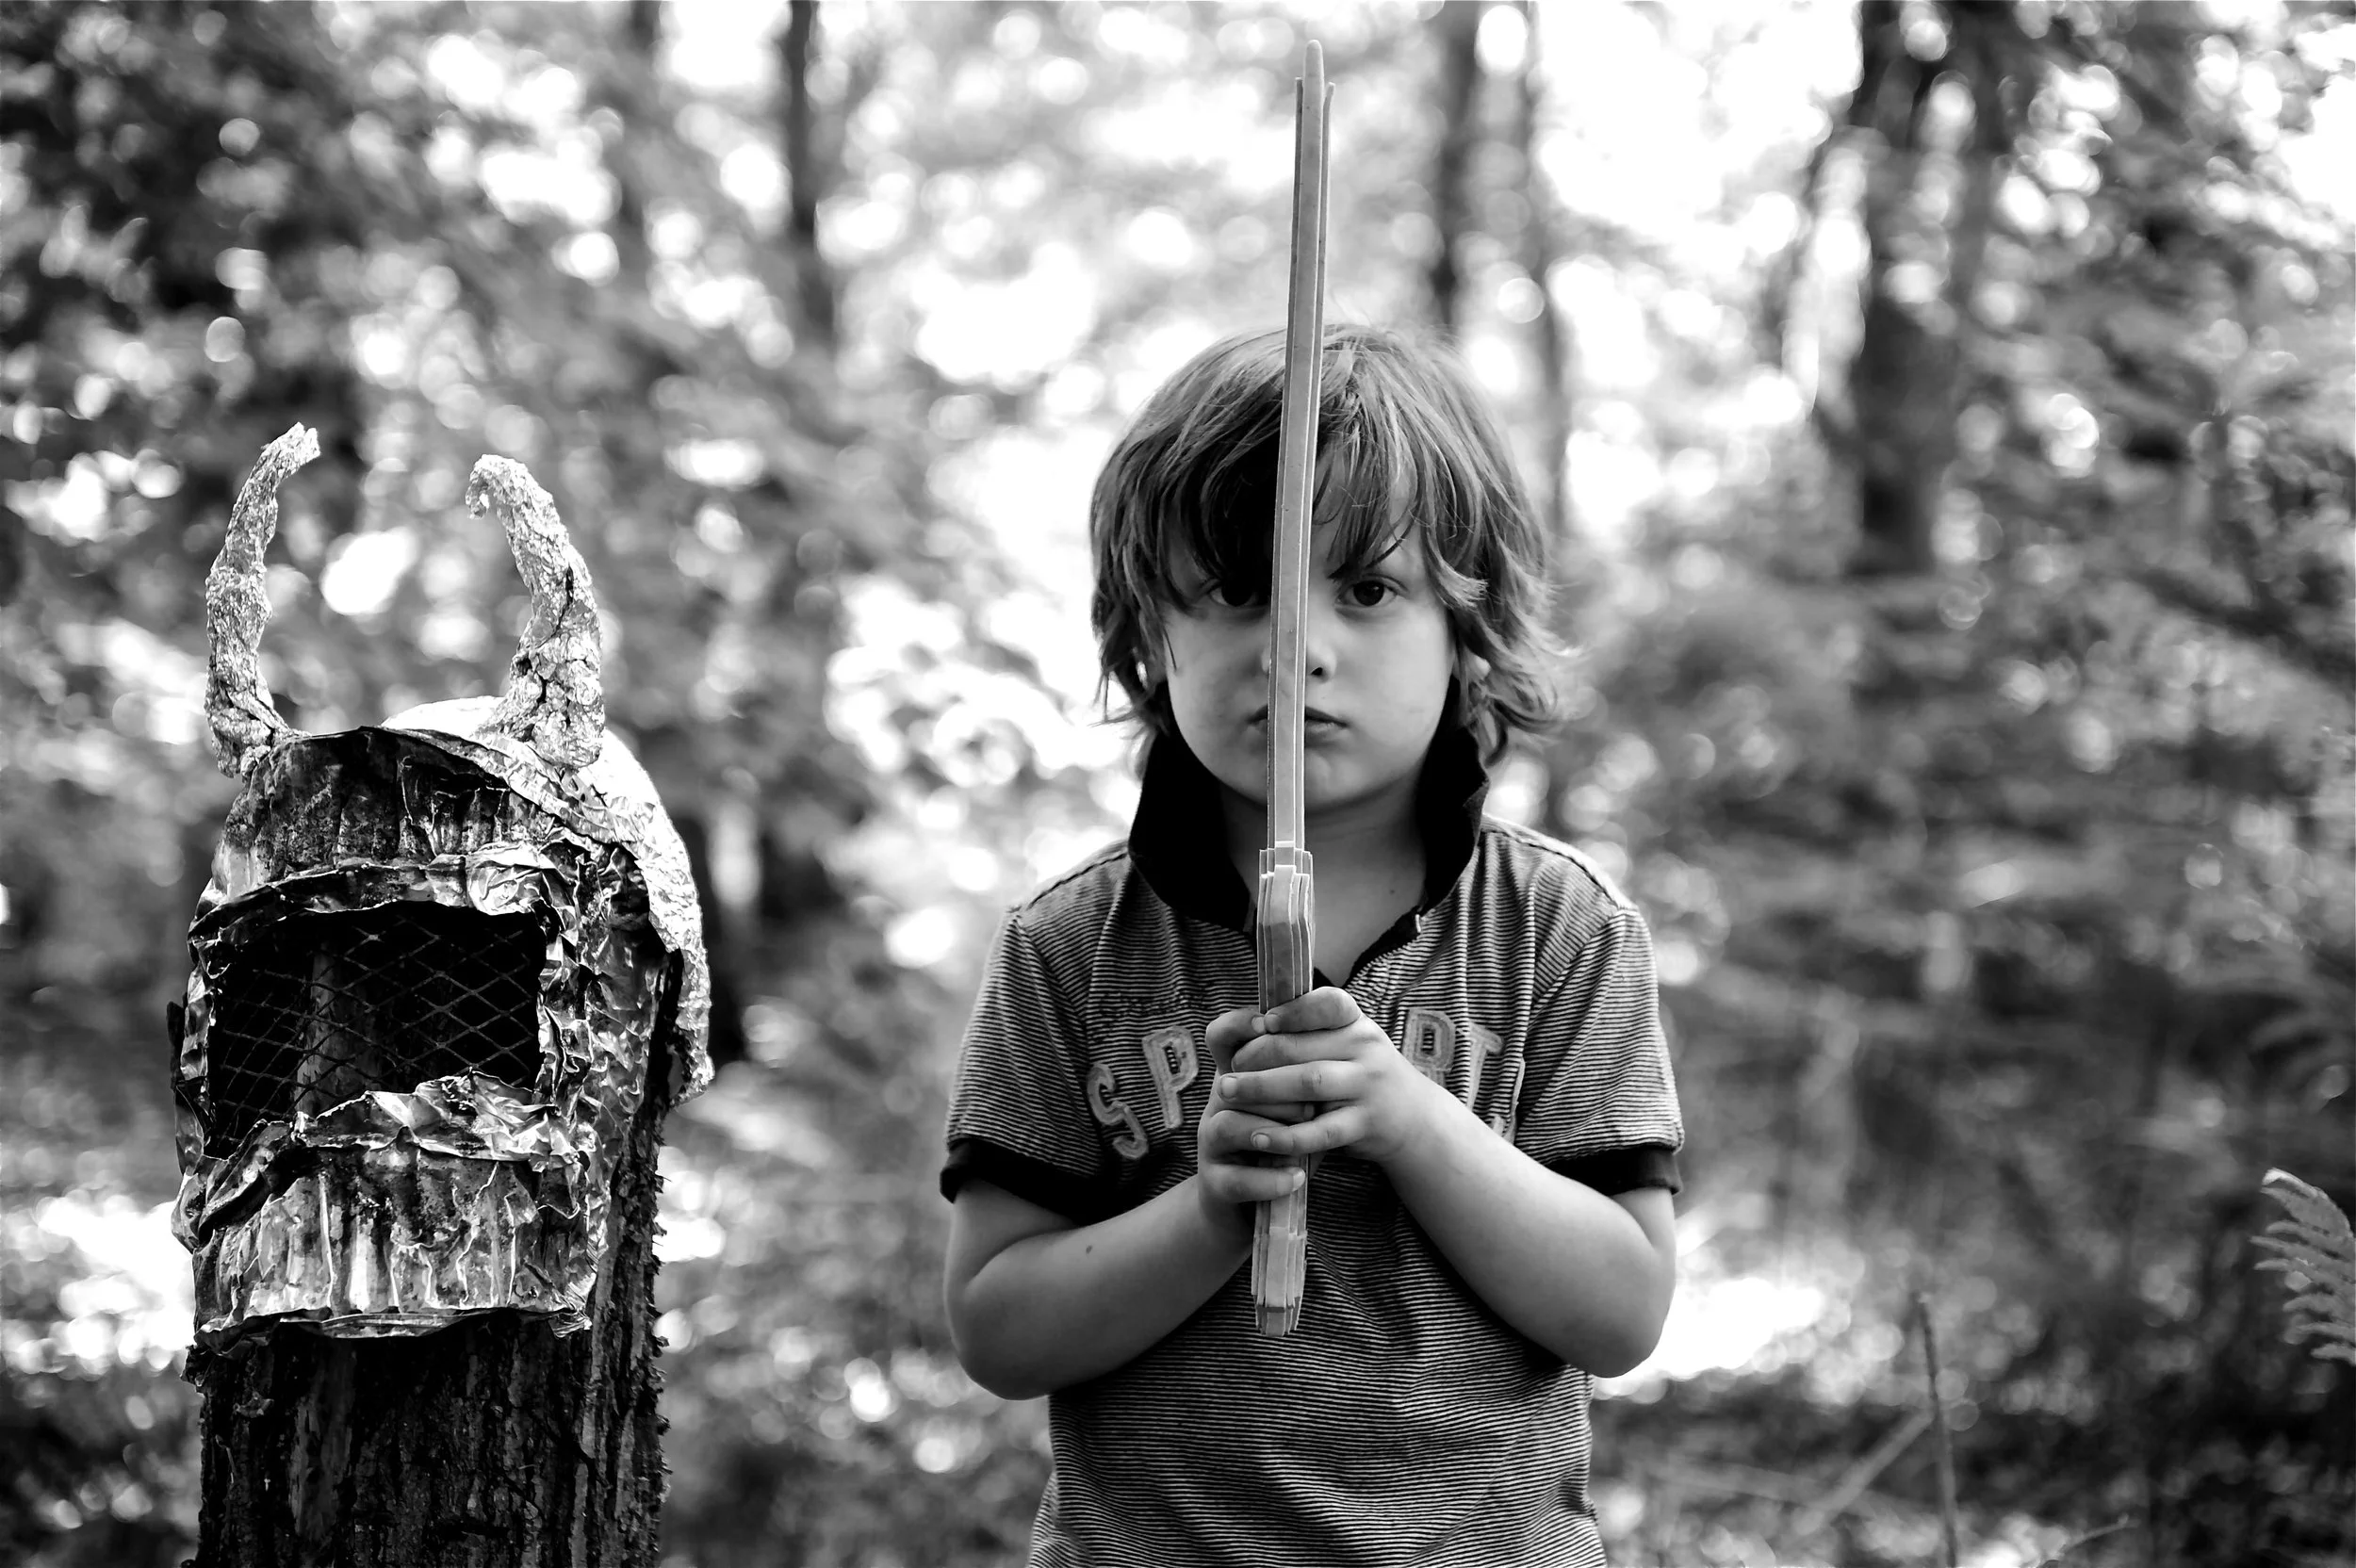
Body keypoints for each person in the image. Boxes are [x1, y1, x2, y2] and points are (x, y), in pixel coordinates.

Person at [941, 323, 1685, 1568]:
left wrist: (1408, 1119)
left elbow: (1620, 1310)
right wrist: (1212, 1211)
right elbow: (999, 1329)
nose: (1297, 646)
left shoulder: (1560, 931)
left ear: (1469, 627)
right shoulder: (1072, 946)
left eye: (1369, 589)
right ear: (1147, 634)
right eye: (1237, 594)